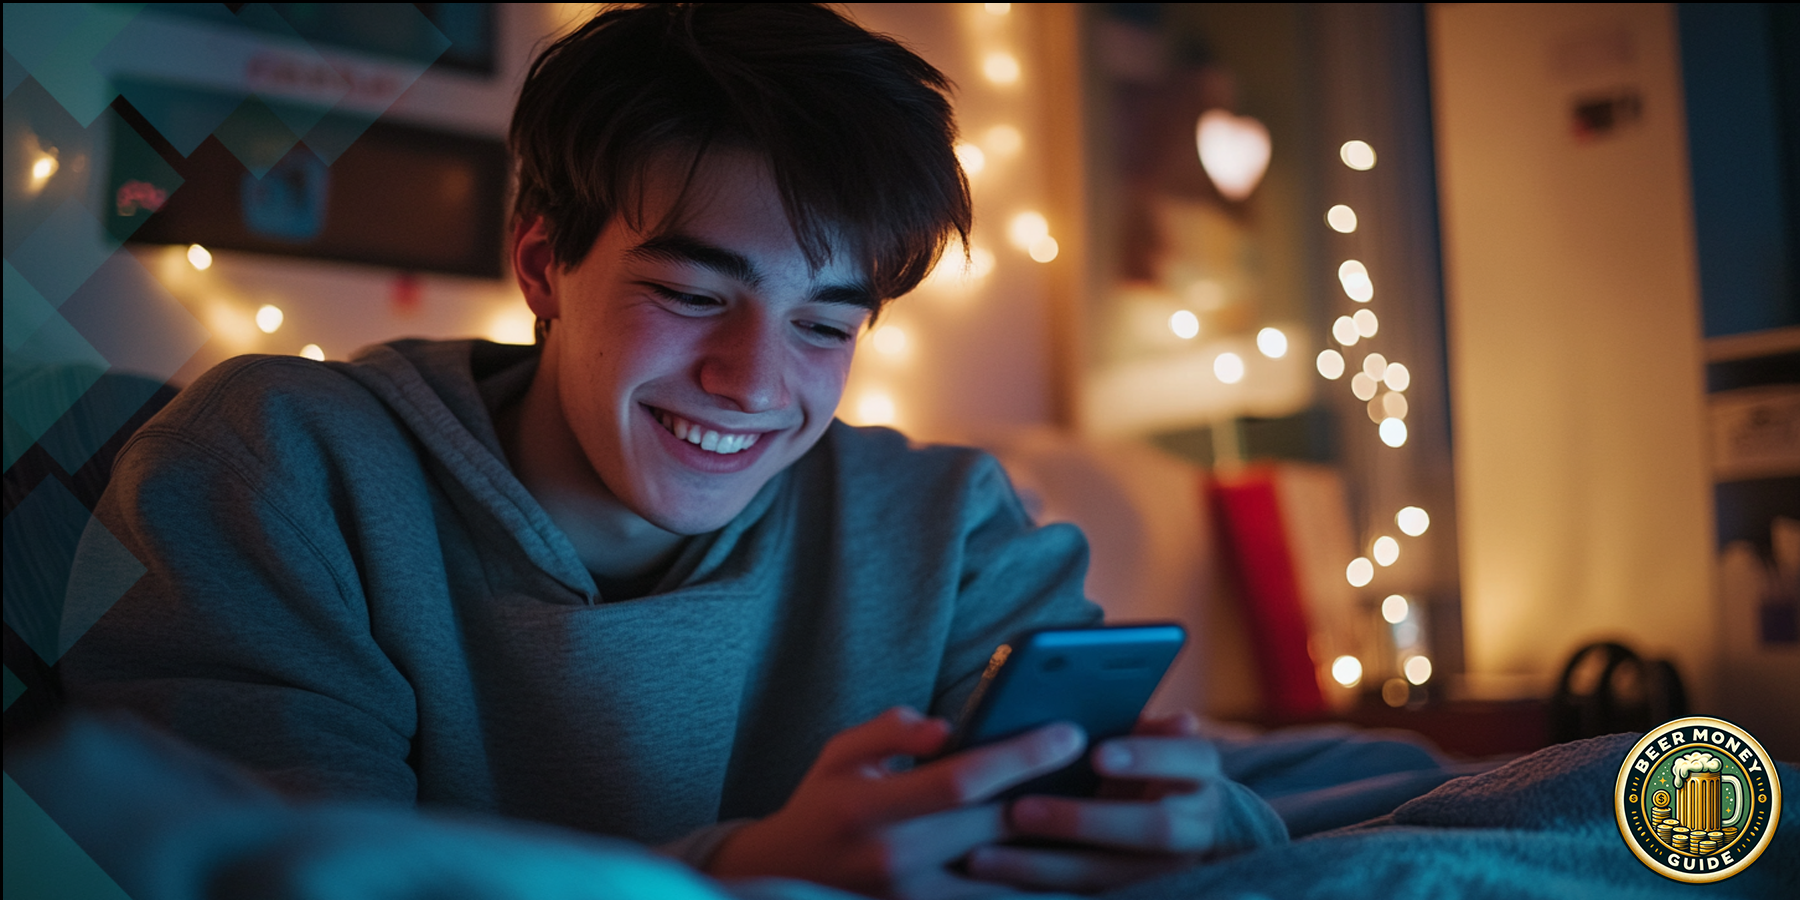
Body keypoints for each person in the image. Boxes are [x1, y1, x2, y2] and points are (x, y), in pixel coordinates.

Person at [59, 5, 1286, 896]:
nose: (754, 382)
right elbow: (268, 870)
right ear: (544, 266)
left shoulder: (949, 523)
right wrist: (742, 875)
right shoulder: (280, 464)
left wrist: (1194, 824)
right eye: (695, 296)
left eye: (825, 323)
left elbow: (1183, 817)